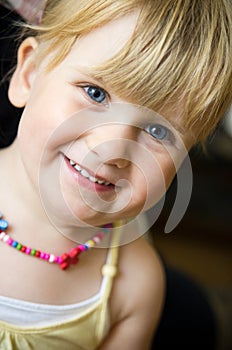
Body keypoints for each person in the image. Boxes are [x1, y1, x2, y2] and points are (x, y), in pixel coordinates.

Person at [0, 1, 231, 349]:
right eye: (95, 93)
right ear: (29, 75)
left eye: (158, 131)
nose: (113, 149)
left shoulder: (135, 286)